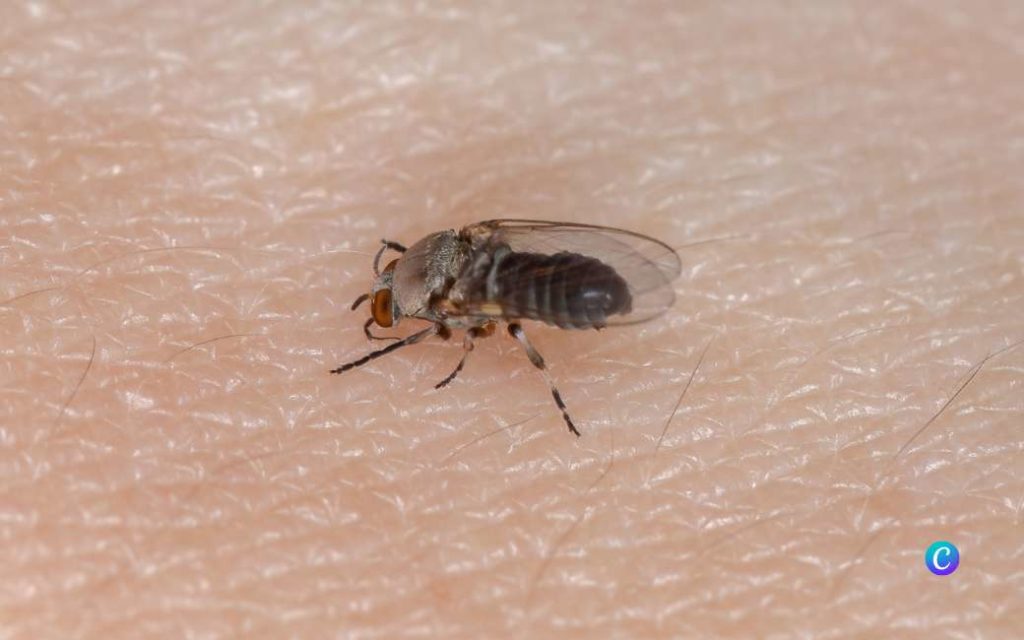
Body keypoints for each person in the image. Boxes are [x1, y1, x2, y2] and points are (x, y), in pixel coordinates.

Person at [2, 2, 1020, 637]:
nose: (403, 294)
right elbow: (479, 267)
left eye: (403, 294)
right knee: (500, 313)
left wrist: (449, 354)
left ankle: (562, 405)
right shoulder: (443, 269)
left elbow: (478, 316)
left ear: (419, 288)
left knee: (509, 326)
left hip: (561, 286)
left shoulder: (459, 301)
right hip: (557, 267)